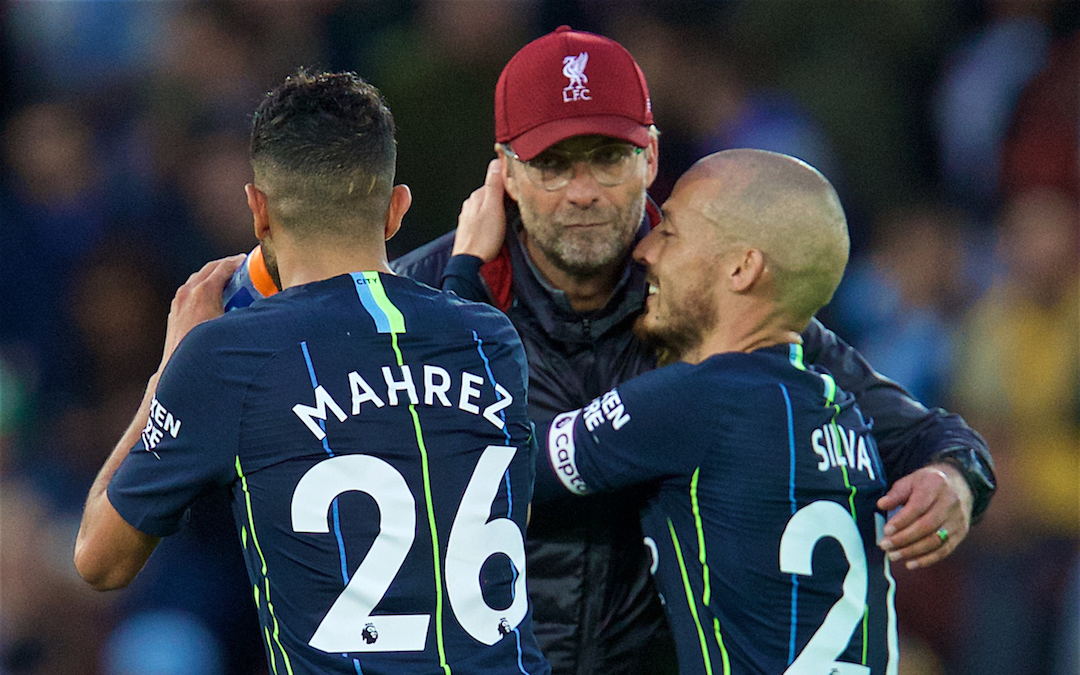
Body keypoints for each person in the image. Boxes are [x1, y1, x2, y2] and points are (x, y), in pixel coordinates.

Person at [392, 26, 995, 675]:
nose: (584, 190)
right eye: (553, 163)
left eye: (608, 157)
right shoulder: (414, 291)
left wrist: (956, 474)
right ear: (505, 170)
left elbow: (916, 431)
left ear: (650, 157)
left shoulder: (715, 294)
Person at [74, 70, 550, 675]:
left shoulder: (227, 356)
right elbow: (507, 515)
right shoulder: (492, 341)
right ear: (396, 208)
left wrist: (169, 369)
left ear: (258, 211)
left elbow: (99, 560)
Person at [536, 147, 896, 674]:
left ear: (741, 267)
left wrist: (464, 277)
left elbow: (501, 462)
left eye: (671, 231)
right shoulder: (850, 421)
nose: (645, 251)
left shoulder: (700, 401)